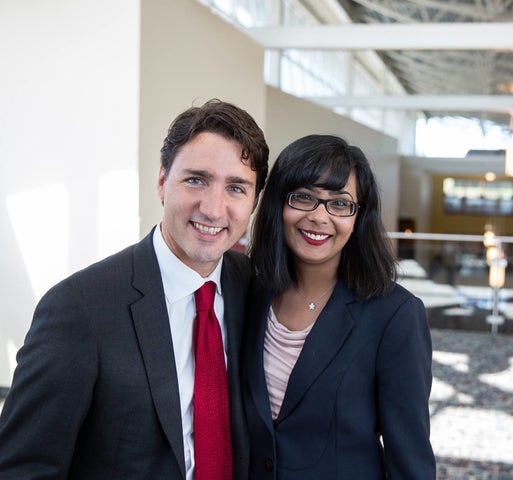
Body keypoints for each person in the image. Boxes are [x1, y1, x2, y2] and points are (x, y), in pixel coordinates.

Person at [0, 99, 269, 480]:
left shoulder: (255, 289)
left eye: (236, 188)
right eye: (196, 180)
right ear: (162, 181)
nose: (213, 208)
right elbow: (22, 467)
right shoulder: (79, 308)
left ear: (254, 201)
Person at [242, 134, 436, 479]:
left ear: (358, 216)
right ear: (277, 204)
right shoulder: (249, 292)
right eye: (304, 198)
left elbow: (410, 459)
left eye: (340, 203)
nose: (319, 216)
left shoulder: (395, 315)